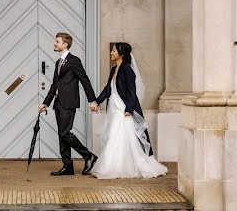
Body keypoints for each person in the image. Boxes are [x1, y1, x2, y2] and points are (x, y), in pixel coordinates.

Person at [90, 42, 167, 179]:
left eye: (114, 51)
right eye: (112, 50)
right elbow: (108, 89)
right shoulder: (114, 69)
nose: (111, 53)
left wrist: (129, 108)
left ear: (122, 54)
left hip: (123, 108)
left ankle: (119, 166)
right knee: (114, 135)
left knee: (120, 134)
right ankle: (113, 166)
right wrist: (97, 101)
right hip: (114, 107)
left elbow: (132, 91)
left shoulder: (127, 70)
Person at [39, 32, 99, 176]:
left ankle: (88, 156)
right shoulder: (58, 62)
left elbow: (85, 80)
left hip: (69, 103)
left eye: (57, 41)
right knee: (62, 135)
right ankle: (68, 166)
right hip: (58, 103)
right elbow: (54, 85)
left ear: (65, 44)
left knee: (65, 133)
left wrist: (92, 100)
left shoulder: (74, 61)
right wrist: (45, 103)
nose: (55, 43)